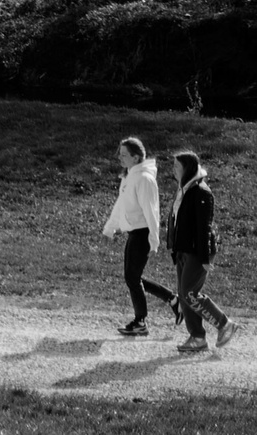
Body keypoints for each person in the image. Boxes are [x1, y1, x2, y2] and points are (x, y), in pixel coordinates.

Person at [100, 137, 175, 336]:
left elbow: (152, 211)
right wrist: (109, 229)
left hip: (142, 233)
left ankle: (140, 321)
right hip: (134, 233)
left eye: (124, 154)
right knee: (133, 277)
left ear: (136, 157)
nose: (120, 157)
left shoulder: (144, 179)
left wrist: (154, 239)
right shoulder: (129, 176)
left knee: (132, 277)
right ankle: (173, 300)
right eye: (120, 153)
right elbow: (120, 205)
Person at [166, 149, 237, 353]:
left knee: (189, 293)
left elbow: (203, 227)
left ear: (188, 169)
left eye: (176, 167)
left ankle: (225, 324)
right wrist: (174, 249)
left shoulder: (201, 192)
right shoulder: (184, 189)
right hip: (183, 251)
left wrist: (205, 258)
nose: (173, 170)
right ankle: (197, 337)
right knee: (184, 293)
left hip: (198, 252)